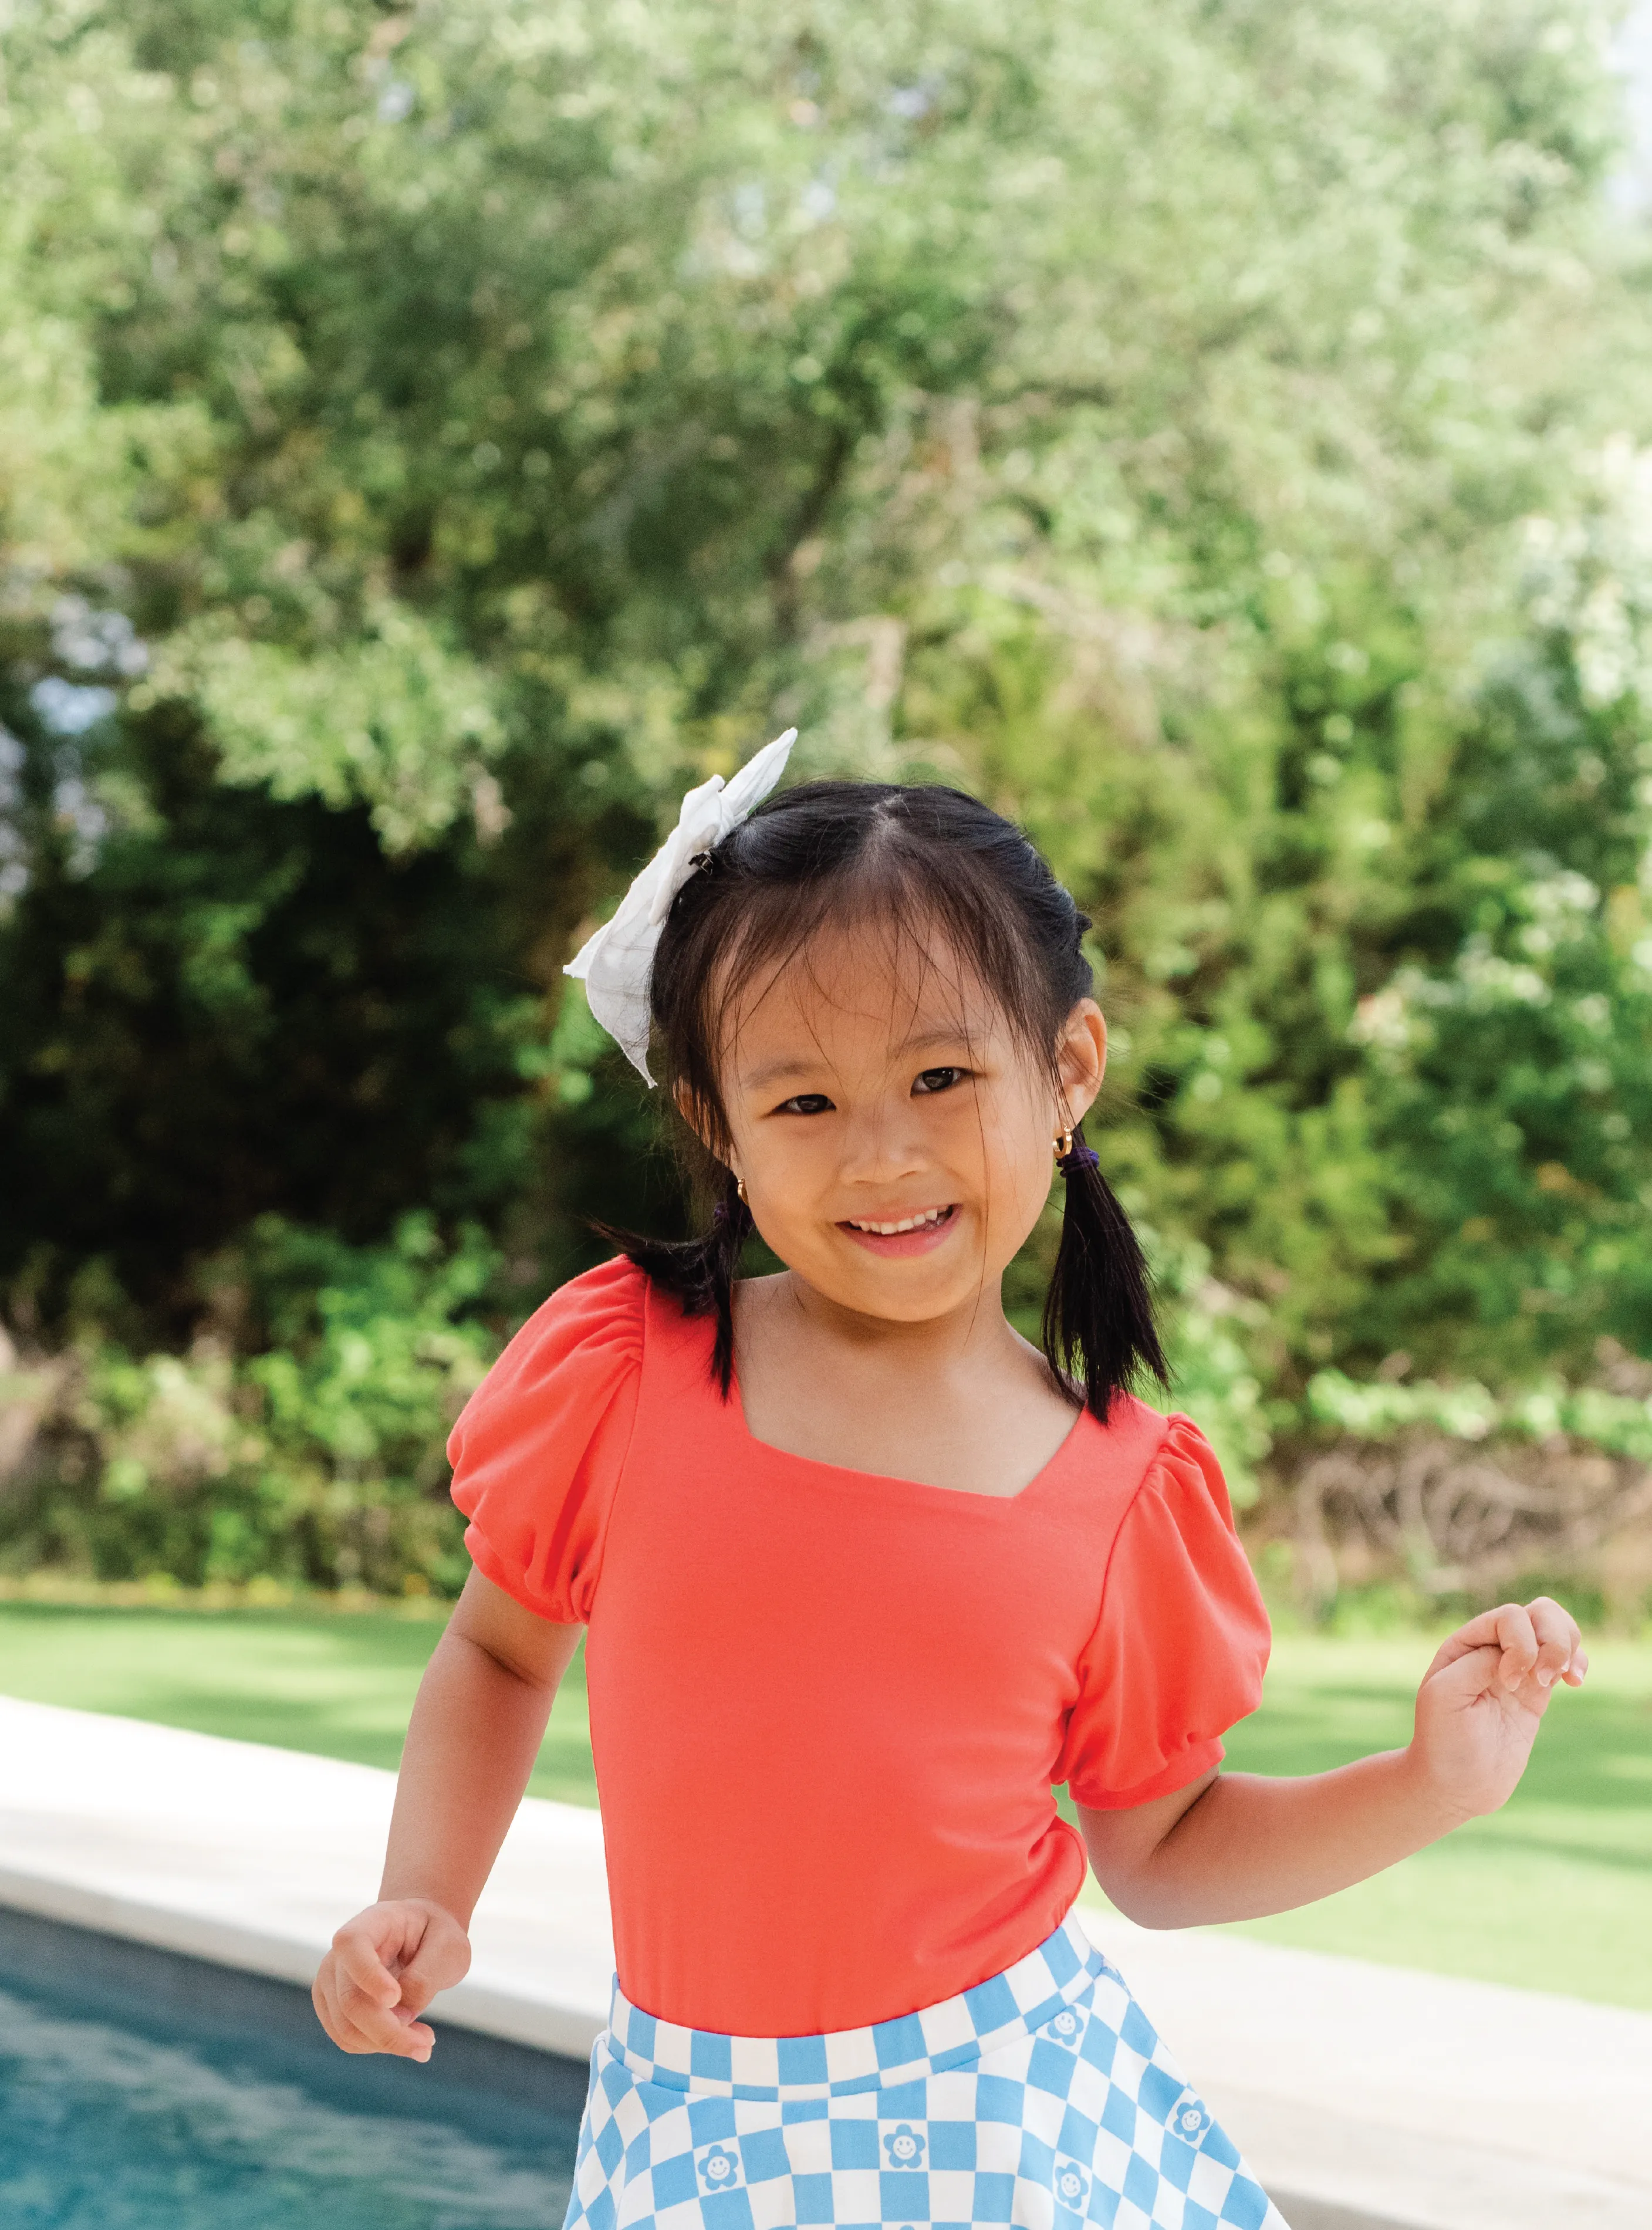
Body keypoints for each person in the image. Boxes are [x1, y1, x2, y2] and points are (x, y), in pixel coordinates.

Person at [312, 733, 1587, 2230]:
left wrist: (1429, 1783)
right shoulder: (625, 1372)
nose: (882, 1155)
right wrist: (425, 1893)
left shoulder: (1119, 1488)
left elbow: (1165, 1854)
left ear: (1068, 1071)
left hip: (1004, 2131)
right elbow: (496, 1646)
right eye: (804, 1105)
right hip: (689, 2123)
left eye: (938, 1075)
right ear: (717, 1123)